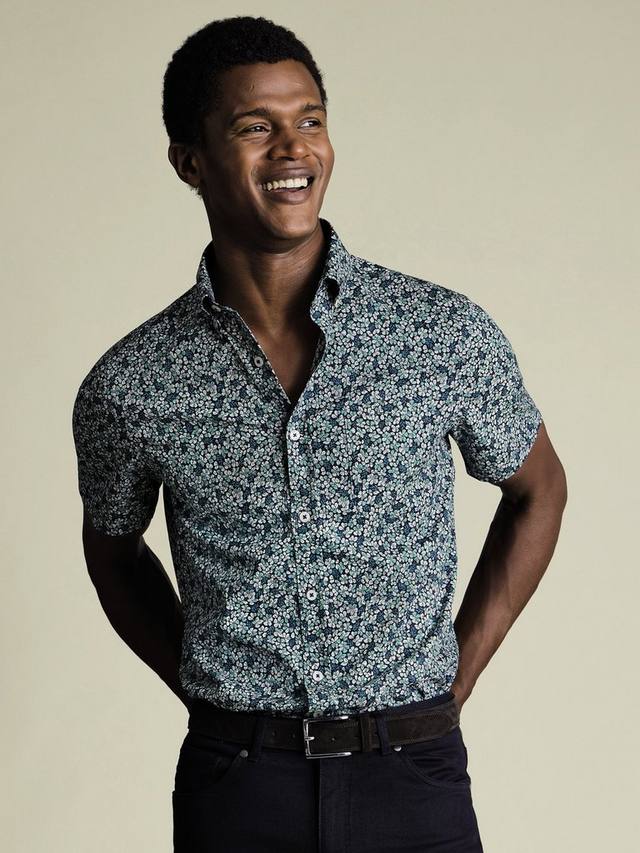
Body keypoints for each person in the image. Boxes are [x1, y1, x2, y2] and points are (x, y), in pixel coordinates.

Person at [71, 14, 567, 852]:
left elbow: (539, 489)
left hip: (413, 775)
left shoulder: (439, 333)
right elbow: (113, 551)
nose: (293, 148)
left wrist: (456, 676)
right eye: (254, 127)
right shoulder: (132, 382)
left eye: (310, 120)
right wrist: (207, 690)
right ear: (190, 162)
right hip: (238, 788)